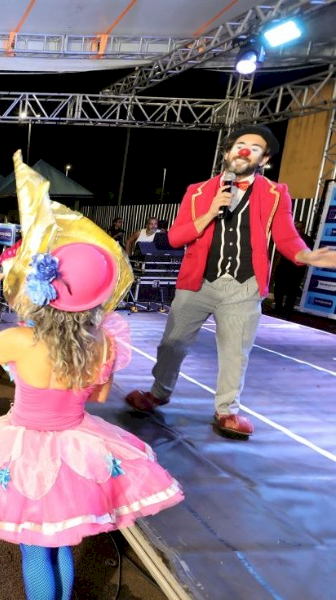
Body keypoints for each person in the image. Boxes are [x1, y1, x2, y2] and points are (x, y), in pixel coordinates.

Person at [0, 237, 183, 600]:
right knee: (61, 541)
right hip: (76, 445)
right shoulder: (105, 343)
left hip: (23, 448)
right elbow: (97, 396)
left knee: (34, 548)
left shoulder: (22, 339)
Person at [125, 125, 336, 438]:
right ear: (226, 153)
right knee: (172, 344)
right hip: (197, 282)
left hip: (244, 285)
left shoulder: (276, 194)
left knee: (235, 351)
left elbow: (286, 236)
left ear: (264, 159)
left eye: (254, 146)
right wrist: (210, 211)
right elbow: (176, 237)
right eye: (240, 144)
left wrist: (305, 256)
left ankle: (227, 411)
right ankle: (159, 392)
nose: (245, 150)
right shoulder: (197, 192)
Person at [273, 220, 314, 316]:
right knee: (280, 289)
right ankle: (280, 309)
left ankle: (286, 311)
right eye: (296, 228)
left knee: (290, 291)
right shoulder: (288, 237)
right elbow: (281, 251)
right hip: (285, 267)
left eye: (299, 228)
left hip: (296, 269)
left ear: (303, 229)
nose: (297, 230)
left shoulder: (307, 240)